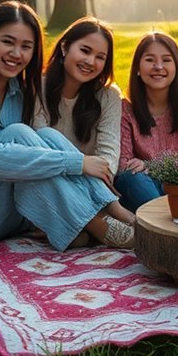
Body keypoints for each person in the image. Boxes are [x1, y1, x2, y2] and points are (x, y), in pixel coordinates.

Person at [0, 1, 133, 251]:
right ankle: (101, 226)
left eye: (26, 46)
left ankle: (109, 217)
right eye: (8, 42)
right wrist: (78, 162)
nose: (17, 54)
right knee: (17, 134)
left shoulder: (21, 91)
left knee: (44, 135)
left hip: (13, 215)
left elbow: (34, 156)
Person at [34, 17, 135, 227]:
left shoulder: (108, 96)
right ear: (64, 47)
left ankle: (93, 225)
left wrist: (93, 171)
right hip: (49, 183)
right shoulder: (37, 89)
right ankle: (112, 219)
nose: (90, 62)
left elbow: (108, 157)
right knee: (47, 137)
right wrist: (82, 165)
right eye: (85, 50)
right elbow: (41, 151)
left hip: (95, 187)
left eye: (100, 57)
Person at [114, 32, 178, 212]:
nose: (158, 66)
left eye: (167, 60)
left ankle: (161, 220)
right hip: (144, 185)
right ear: (137, 67)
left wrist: (154, 166)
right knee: (131, 178)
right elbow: (124, 164)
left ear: (177, 66)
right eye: (150, 60)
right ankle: (166, 220)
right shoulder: (126, 109)